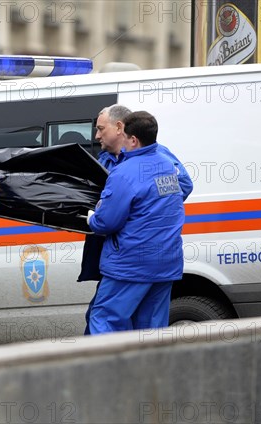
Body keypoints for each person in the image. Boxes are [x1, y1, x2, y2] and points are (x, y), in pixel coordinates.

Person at [79, 105, 192, 334]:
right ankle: (148, 370)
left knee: (104, 320)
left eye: (101, 129)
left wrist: (94, 217)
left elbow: (106, 222)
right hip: (165, 261)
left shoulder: (125, 171)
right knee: (150, 329)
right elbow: (176, 189)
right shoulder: (166, 164)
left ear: (130, 137)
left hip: (131, 263)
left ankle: (109, 370)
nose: (97, 135)